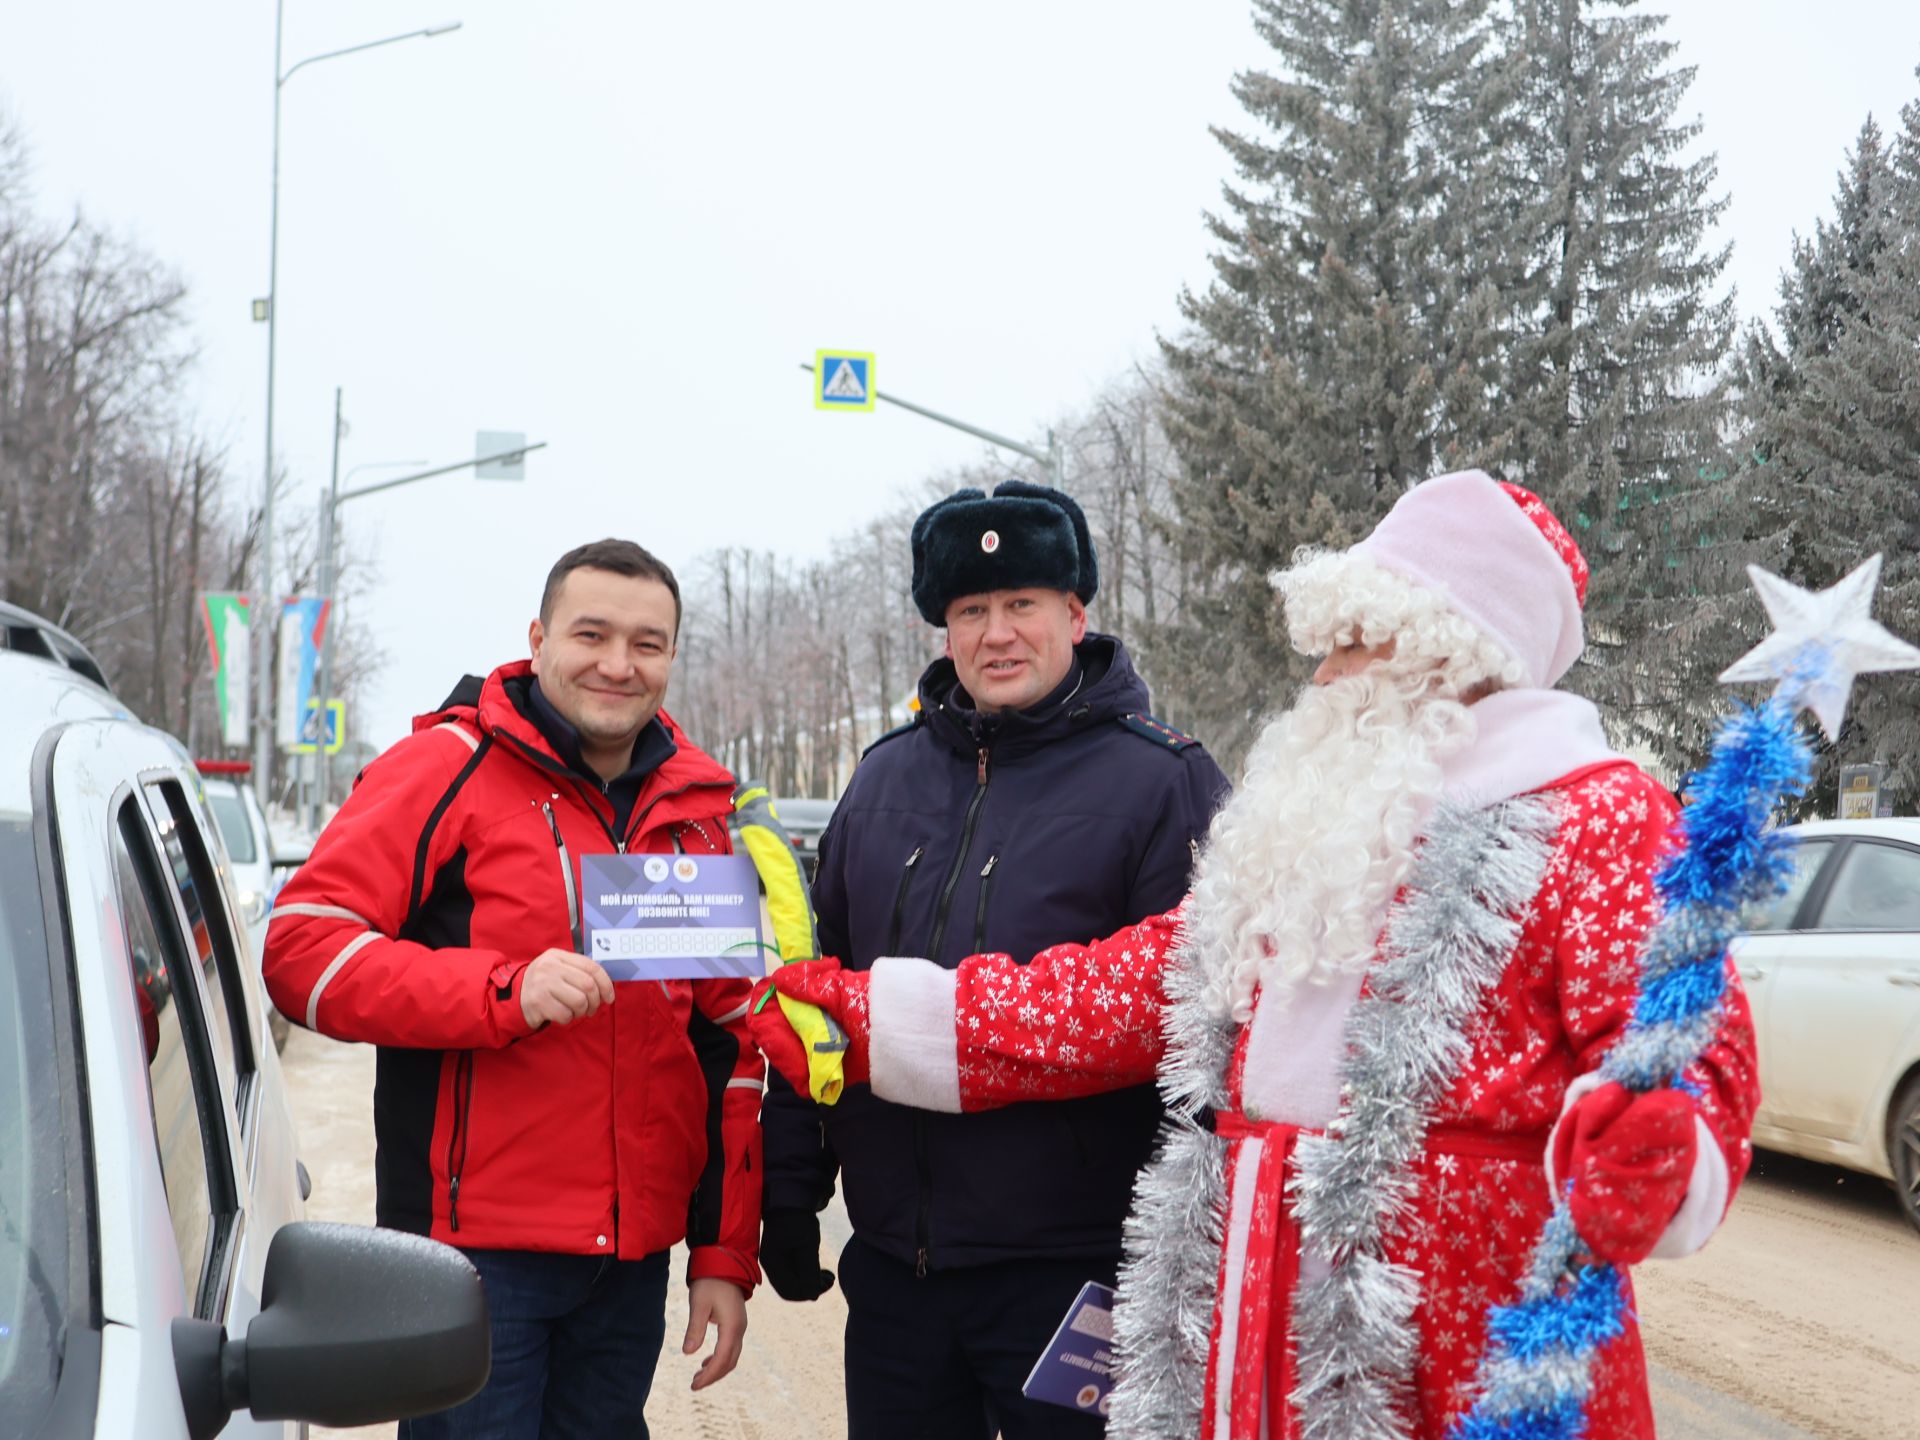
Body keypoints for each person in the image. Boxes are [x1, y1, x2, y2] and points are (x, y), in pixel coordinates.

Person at [758, 472, 1760, 1440]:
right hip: (1265, 1305)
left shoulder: (1594, 814)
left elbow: (1690, 1048)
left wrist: (1659, 1142)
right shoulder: (1324, 833)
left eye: (1351, 646)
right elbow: (1113, 994)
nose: (1321, 677)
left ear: (1450, 651)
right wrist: (859, 1012)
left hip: (1465, 1322)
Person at [759, 480, 1230, 1439]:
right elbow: (820, 996)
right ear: (945, 631)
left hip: (1079, 1273)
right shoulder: (883, 777)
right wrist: (791, 1184)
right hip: (898, 1273)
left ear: (1075, 613)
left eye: (1023, 604)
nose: (998, 633)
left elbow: (1199, 1033)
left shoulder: (1165, 780)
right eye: (972, 611)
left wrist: (1192, 1255)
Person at [264, 539, 763, 1439]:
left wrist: (722, 1250)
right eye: (592, 633)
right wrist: (501, 990)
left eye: (648, 643)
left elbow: (727, 1042)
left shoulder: (698, 810)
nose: (619, 664)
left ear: (672, 658)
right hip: (475, 1257)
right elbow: (304, 949)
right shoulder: (444, 767)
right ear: (538, 639)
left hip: (630, 1263)